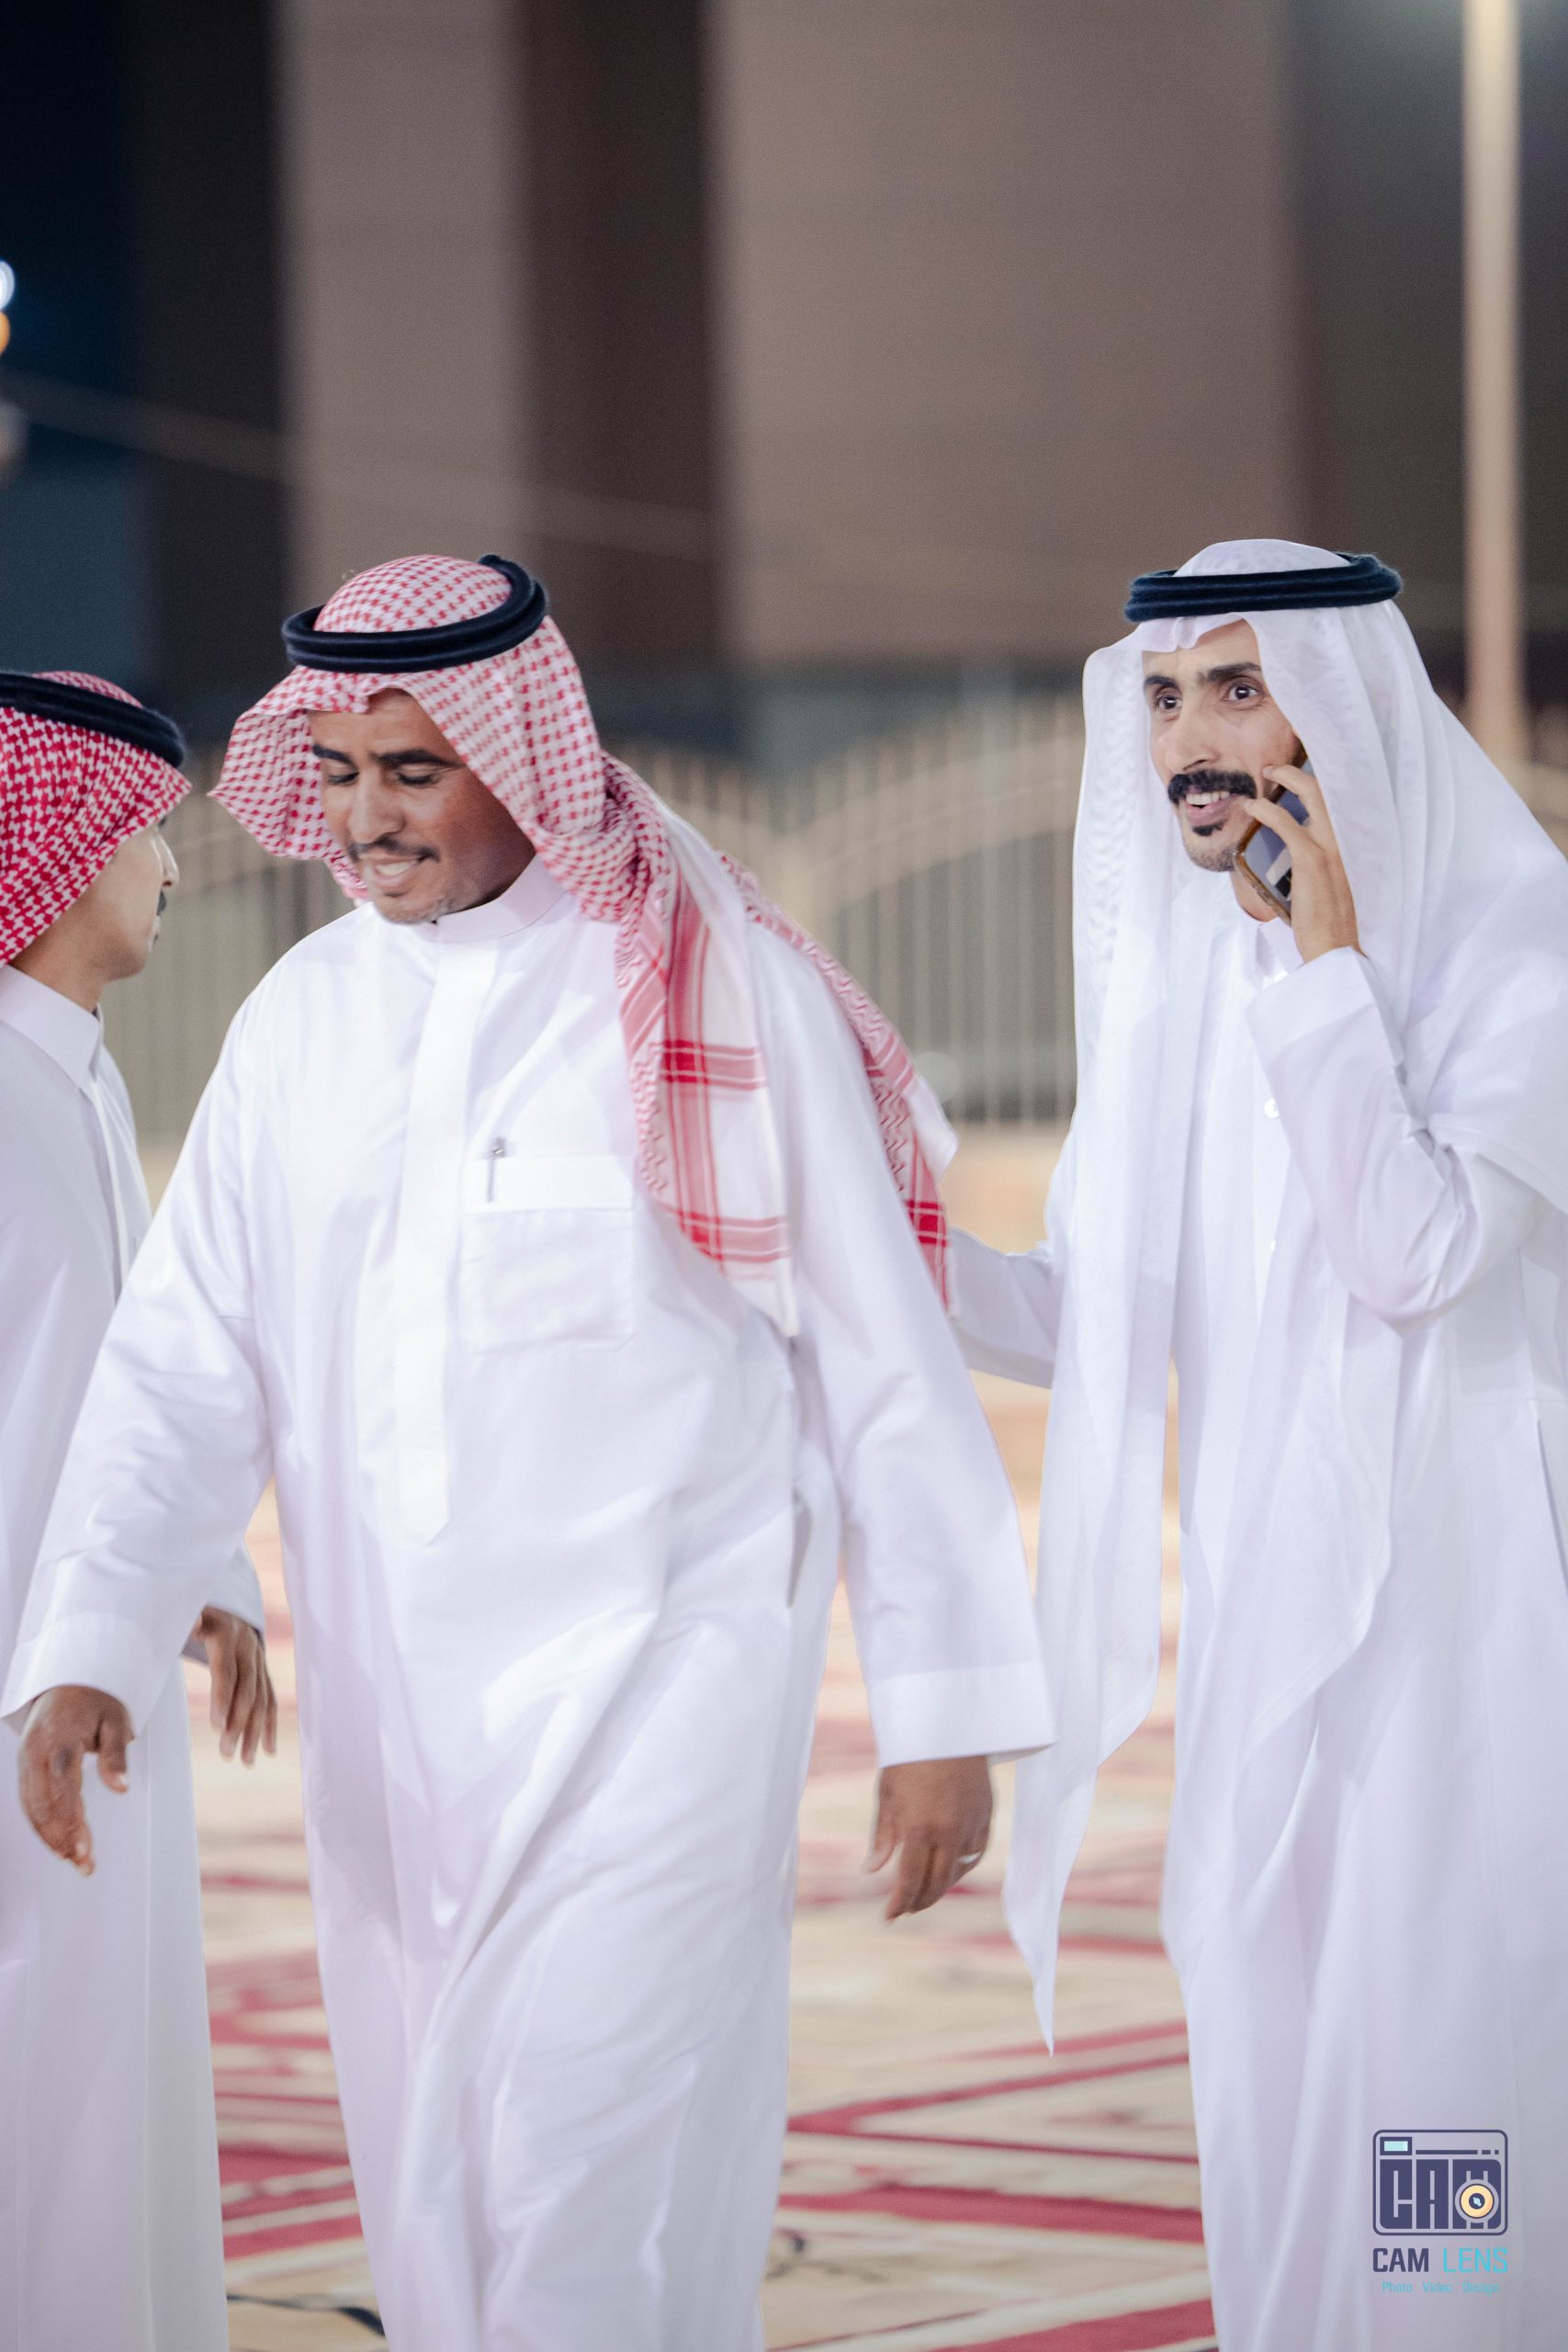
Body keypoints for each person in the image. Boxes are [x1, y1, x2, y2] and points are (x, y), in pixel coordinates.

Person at [7, 559, 1052, 2352]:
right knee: (442, 2199)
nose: (367, 818)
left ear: (525, 759)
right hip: (398, 1735)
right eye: (339, 773)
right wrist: (94, 1636)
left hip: (664, 1697)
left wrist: (944, 1703)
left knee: (590, 2184)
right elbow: (183, 1360)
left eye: (414, 770)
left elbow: (883, 1360)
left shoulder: (705, 995)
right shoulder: (302, 1025)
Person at [952, 541, 1568, 2351]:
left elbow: (1415, 1254)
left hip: (1462, 1653)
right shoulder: (1186, 992)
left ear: (1344, 706)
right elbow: (1095, 1317)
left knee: (1436, 2093)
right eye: (1162, 700)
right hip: (1260, 1647)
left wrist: (1325, 974)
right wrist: (879, 1245)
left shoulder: (1513, 950)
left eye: (1238, 689)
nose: (1191, 742)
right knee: (1270, 2067)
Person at [0, 669, 273, 2351]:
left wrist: (197, 1574)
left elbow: (125, 1372)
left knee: (105, 2060)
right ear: (55, 842)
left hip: (81, 1657)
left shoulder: (72, 1080)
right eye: (144, 834)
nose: (167, 869)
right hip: (25, 1679)